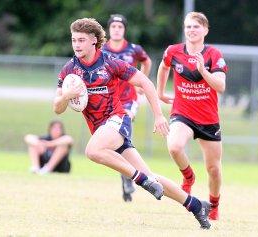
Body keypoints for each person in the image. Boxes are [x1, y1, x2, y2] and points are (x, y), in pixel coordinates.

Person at [53, 17, 212, 229]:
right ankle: (195, 205)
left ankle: (138, 180)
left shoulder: (110, 62)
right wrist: (66, 96)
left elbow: (145, 82)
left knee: (92, 151)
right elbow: (57, 108)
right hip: (101, 130)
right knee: (151, 177)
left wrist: (158, 115)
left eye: (81, 40)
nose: (76, 45)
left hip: (117, 120)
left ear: (93, 41)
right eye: (74, 40)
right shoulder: (69, 70)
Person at [157, 12, 228, 221]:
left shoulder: (213, 54)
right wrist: (160, 92)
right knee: (174, 146)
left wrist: (203, 71)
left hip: (208, 119)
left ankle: (214, 204)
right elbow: (163, 67)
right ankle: (188, 176)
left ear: (205, 30)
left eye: (196, 27)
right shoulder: (173, 51)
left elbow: (221, 86)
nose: (191, 30)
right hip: (183, 113)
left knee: (214, 169)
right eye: (188, 27)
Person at [102, 14, 152, 202]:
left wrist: (141, 82)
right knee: (117, 143)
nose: (116, 29)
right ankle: (127, 176)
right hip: (108, 102)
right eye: (113, 26)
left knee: (124, 134)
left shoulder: (133, 49)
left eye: (120, 26)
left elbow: (146, 62)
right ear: (108, 29)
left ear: (124, 30)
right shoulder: (101, 49)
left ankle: (129, 177)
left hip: (129, 101)